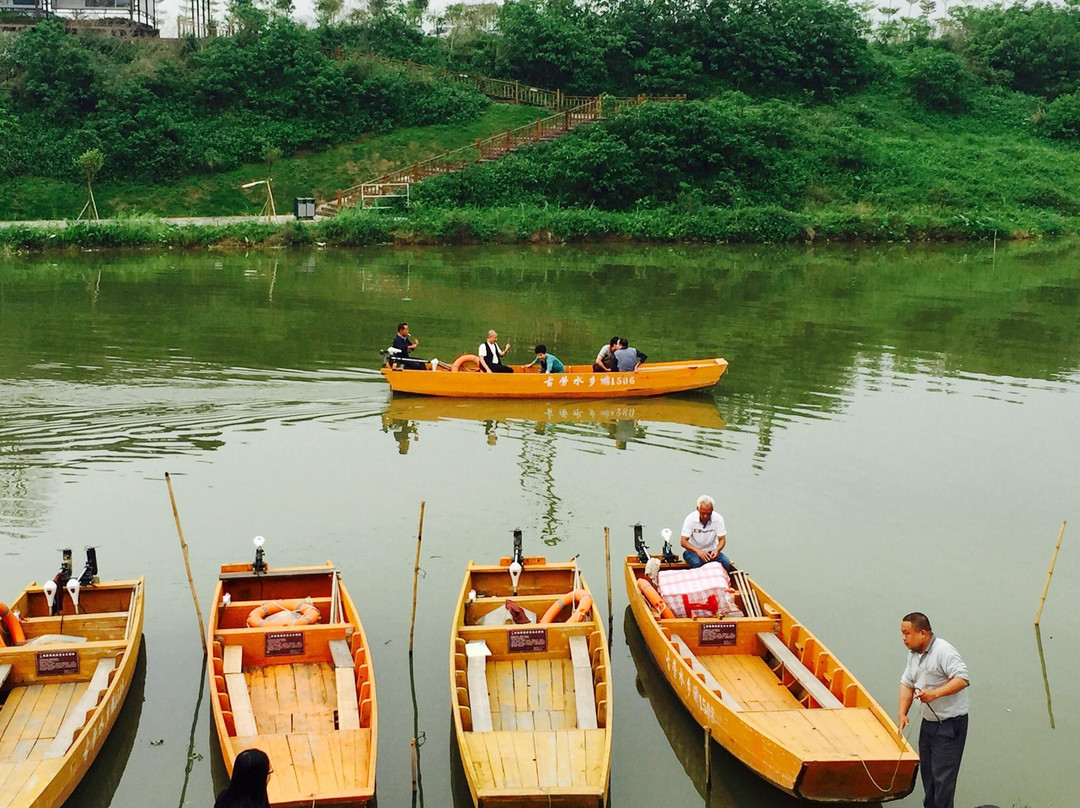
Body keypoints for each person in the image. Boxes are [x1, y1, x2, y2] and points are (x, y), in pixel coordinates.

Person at [898, 613, 970, 808]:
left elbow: (962, 679)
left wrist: (935, 694)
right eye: (902, 634)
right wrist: (902, 714)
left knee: (943, 781)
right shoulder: (913, 654)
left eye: (907, 633)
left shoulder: (943, 651)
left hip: (949, 724)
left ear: (923, 633)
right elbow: (907, 683)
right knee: (928, 777)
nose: (904, 638)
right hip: (928, 723)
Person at [680, 495, 731, 572]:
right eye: (703, 513)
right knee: (697, 563)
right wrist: (698, 551)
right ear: (697, 509)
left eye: (708, 513)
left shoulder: (718, 519)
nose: (705, 516)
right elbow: (683, 541)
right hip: (692, 551)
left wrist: (717, 550)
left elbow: (722, 539)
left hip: (711, 550)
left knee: (726, 563)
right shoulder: (690, 519)